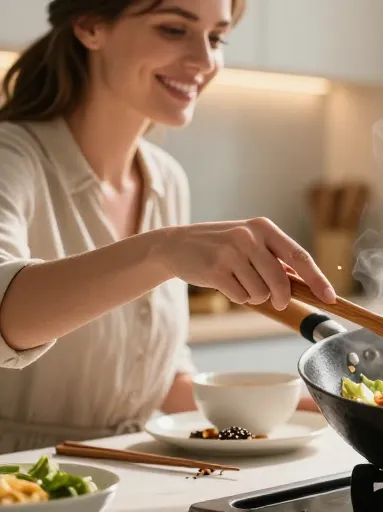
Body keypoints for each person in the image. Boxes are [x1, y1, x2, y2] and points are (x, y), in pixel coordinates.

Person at [0, 0, 338, 454]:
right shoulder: (12, 159)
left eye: (216, 38)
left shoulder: (166, 179)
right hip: (21, 480)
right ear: (90, 25)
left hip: (132, 474)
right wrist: (164, 251)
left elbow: (160, 381)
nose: (204, 61)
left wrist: (337, 408)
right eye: (174, 30)